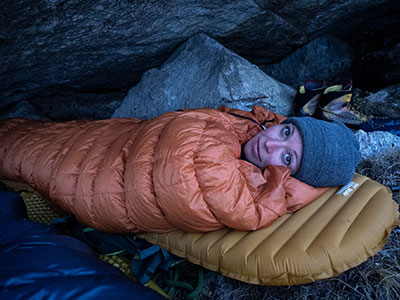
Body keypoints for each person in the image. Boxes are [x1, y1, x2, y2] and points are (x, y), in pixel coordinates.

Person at [0, 105, 360, 234]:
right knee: (36, 135)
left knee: (19, 152)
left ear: (288, 178)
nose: (271, 144)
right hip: (113, 140)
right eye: (285, 132)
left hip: (100, 185)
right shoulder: (252, 130)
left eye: (287, 159)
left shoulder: (249, 195)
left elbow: (185, 169)